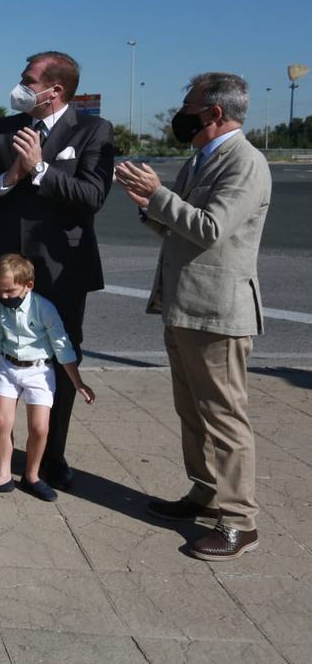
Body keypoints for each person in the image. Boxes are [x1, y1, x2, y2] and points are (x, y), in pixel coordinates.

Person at [116, 72, 270, 561]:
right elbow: (179, 231)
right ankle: (205, 493)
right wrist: (150, 207)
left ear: (215, 113)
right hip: (185, 307)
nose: (181, 116)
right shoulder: (201, 158)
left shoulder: (245, 161)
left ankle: (239, 520)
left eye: (188, 108)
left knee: (224, 418)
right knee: (193, 412)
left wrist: (160, 196)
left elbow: (210, 229)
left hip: (218, 312)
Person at [0, 51, 114, 488]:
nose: (21, 86)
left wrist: (41, 169)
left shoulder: (92, 130)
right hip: (4, 264)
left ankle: (52, 455)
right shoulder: (7, 128)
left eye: (28, 80)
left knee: (61, 355)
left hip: (60, 266)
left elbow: (92, 195)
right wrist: (10, 176)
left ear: (56, 90)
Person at [0, 253, 96, 501]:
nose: (3, 296)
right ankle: (3, 476)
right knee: (1, 422)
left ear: (28, 285)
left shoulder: (43, 308)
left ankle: (32, 476)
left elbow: (62, 346)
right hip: (8, 369)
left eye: (9, 290)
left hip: (39, 371)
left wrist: (77, 382)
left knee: (39, 428)